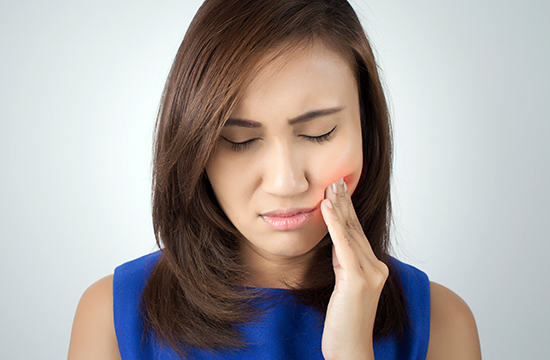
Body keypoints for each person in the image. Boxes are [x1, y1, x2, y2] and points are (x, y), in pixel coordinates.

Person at [68, 0, 482, 359]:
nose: (286, 183)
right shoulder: (112, 315)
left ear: (366, 129)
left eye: (319, 133)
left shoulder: (442, 323)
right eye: (240, 140)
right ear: (195, 147)